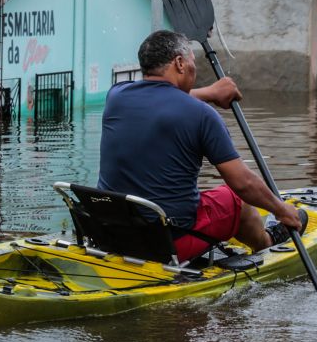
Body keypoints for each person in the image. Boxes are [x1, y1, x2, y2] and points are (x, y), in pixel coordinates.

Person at [97, 30, 306, 262]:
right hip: (168, 242)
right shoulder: (202, 116)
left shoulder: (116, 96)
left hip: (111, 232)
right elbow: (243, 183)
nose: (194, 69)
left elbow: (163, 98)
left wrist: (209, 93)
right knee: (237, 201)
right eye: (192, 62)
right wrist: (281, 209)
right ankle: (266, 242)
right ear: (179, 63)